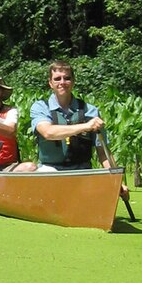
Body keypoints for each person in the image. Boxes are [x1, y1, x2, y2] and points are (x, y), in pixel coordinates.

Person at [29, 61, 127, 196]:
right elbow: (48, 132)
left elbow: (103, 151)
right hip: (51, 170)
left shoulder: (90, 111)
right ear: (50, 83)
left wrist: (118, 181)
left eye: (67, 78)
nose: (62, 82)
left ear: (73, 81)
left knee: (104, 189)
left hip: (82, 171)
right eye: (57, 79)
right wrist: (86, 126)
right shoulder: (40, 107)